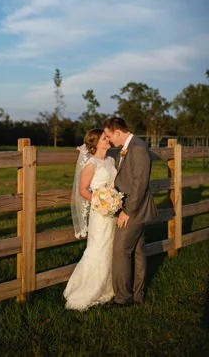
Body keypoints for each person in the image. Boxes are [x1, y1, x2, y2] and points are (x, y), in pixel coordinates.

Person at [104, 116, 157, 306]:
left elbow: (139, 185)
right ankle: (138, 295)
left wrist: (127, 211)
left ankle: (122, 298)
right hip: (134, 208)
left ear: (118, 132)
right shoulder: (126, 148)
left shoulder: (137, 149)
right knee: (138, 251)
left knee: (120, 251)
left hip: (134, 209)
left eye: (110, 136)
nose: (109, 140)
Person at [63, 129, 117, 310]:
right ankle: (88, 289)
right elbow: (83, 190)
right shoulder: (91, 164)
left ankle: (108, 287)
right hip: (99, 212)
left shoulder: (111, 160)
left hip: (112, 212)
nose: (108, 140)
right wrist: (101, 202)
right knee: (98, 248)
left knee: (110, 248)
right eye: (104, 138)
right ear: (95, 144)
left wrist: (113, 201)